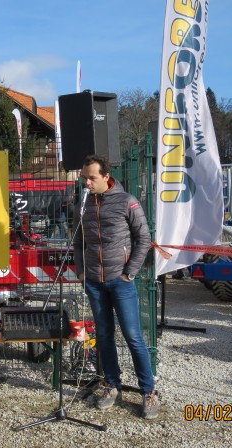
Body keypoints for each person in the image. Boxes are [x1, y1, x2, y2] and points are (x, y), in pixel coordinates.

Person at [72, 155, 160, 420]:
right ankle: (112, 385)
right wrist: (80, 270)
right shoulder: (83, 205)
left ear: (106, 176)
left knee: (133, 336)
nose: (87, 183)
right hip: (94, 282)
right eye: (84, 178)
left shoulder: (127, 201)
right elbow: (77, 242)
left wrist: (129, 272)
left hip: (120, 281)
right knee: (104, 336)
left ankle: (149, 391)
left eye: (92, 178)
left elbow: (144, 238)